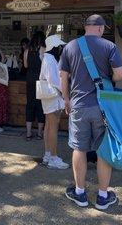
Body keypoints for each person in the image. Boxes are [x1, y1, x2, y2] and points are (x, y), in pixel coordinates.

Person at [60, 14, 122, 210]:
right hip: (102, 106)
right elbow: (121, 73)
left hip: (78, 105)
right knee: (103, 150)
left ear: (86, 27)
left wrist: (66, 99)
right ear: (100, 28)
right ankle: (103, 197)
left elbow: (63, 77)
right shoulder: (109, 46)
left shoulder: (70, 47)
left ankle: (80, 194)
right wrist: (108, 77)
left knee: (79, 148)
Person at [39, 35, 70, 169]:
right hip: (54, 97)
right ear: (54, 47)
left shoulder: (47, 58)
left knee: (48, 126)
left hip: (49, 97)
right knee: (53, 127)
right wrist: (66, 94)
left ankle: (48, 155)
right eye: (59, 46)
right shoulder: (50, 60)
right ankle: (53, 157)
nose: (61, 49)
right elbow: (55, 81)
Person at [24, 31, 46, 140]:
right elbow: (46, 66)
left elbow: (25, 65)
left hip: (29, 80)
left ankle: (28, 133)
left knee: (30, 105)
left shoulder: (27, 51)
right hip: (41, 80)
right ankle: (39, 133)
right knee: (40, 106)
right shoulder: (43, 50)